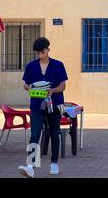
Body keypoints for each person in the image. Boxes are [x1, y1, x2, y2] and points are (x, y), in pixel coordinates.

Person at [18, 38, 68, 178]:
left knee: (54, 133)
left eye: (43, 52)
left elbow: (63, 86)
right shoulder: (31, 66)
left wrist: (52, 90)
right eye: (38, 53)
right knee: (35, 133)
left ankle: (54, 163)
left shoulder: (58, 65)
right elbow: (25, 85)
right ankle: (30, 166)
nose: (40, 55)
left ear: (48, 50)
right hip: (36, 105)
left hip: (55, 104)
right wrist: (31, 88)